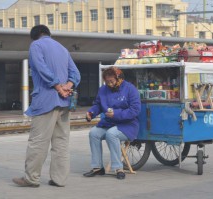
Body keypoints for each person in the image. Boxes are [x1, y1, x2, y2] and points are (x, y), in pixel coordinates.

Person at [12, 25, 81, 187]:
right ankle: (59, 179)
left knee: (38, 141)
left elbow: (40, 68)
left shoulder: (36, 45)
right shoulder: (63, 49)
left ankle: (31, 178)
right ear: (48, 34)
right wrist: (67, 87)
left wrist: (58, 87)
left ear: (35, 36)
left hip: (46, 101)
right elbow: (76, 74)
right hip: (64, 103)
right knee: (61, 142)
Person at [84, 66, 141, 180]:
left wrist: (117, 114)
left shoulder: (130, 89)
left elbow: (135, 110)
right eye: (107, 81)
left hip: (128, 125)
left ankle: (118, 168)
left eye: (111, 81)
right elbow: (98, 105)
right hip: (109, 123)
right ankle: (97, 167)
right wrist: (91, 112)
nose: (109, 84)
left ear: (119, 78)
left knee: (111, 134)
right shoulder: (103, 89)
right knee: (93, 133)